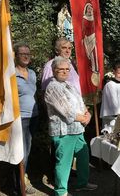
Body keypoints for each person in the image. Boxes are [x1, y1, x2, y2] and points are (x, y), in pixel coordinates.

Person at [44, 56, 97, 196]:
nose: (65, 72)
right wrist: (82, 118)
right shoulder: (52, 87)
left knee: (83, 156)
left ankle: (82, 183)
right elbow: (66, 111)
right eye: (61, 69)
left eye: (67, 69)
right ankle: (61, 191)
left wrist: (88, 114)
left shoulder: (70, 85)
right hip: (64, 131)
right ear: (54, 70)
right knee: (64, 162)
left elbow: (80, 102)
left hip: (78, 129)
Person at [13, 43, 38, 194]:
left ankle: (22, 181)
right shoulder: (11, 75)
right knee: (21, 153)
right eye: (22, 53)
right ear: (16, 56)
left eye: (27, 53)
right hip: (20, 119)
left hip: (34, 117)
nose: (25, 56)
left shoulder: (33, 73)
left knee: (27, 151)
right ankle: (19, 187)